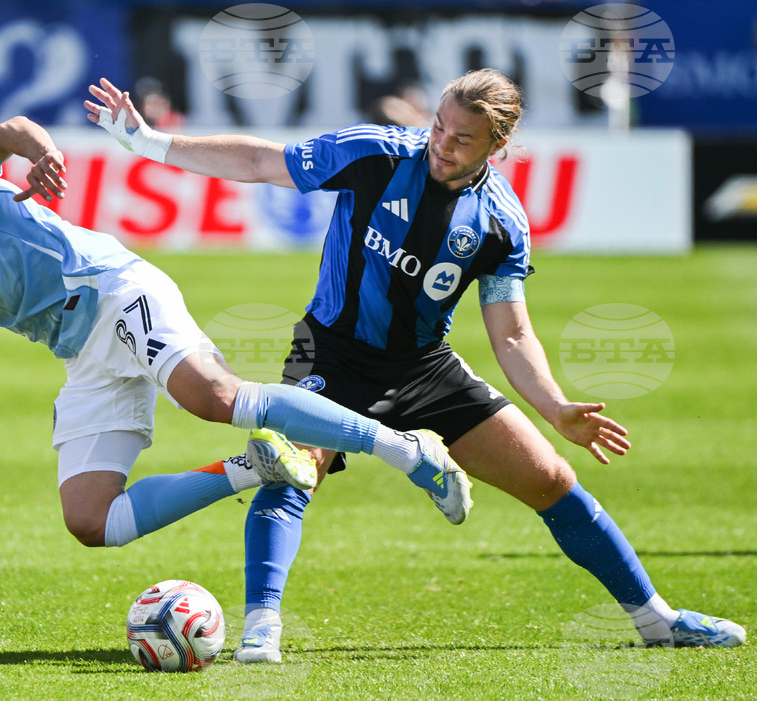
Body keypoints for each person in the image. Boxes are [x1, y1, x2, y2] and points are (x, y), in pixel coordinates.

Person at [84, 71, 747, 655]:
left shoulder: (500, 223)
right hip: (332, 353)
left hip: (425, 367)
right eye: (439, 127)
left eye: (462, 139)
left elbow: (512, 333)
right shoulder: (374, 153)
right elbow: (262, 162)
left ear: (498, 147)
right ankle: (262, 626)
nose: (442, 143)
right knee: (289, 470)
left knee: (549, 477)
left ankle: (656, 618)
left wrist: (555, 407)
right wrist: (147, 142)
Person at [0, 116, 473, 554]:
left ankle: (406, 449)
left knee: (211, 395)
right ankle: (254, 465)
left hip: (111, 288)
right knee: (91, 520)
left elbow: (3, 135)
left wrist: (42, 153)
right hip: (78, 346)